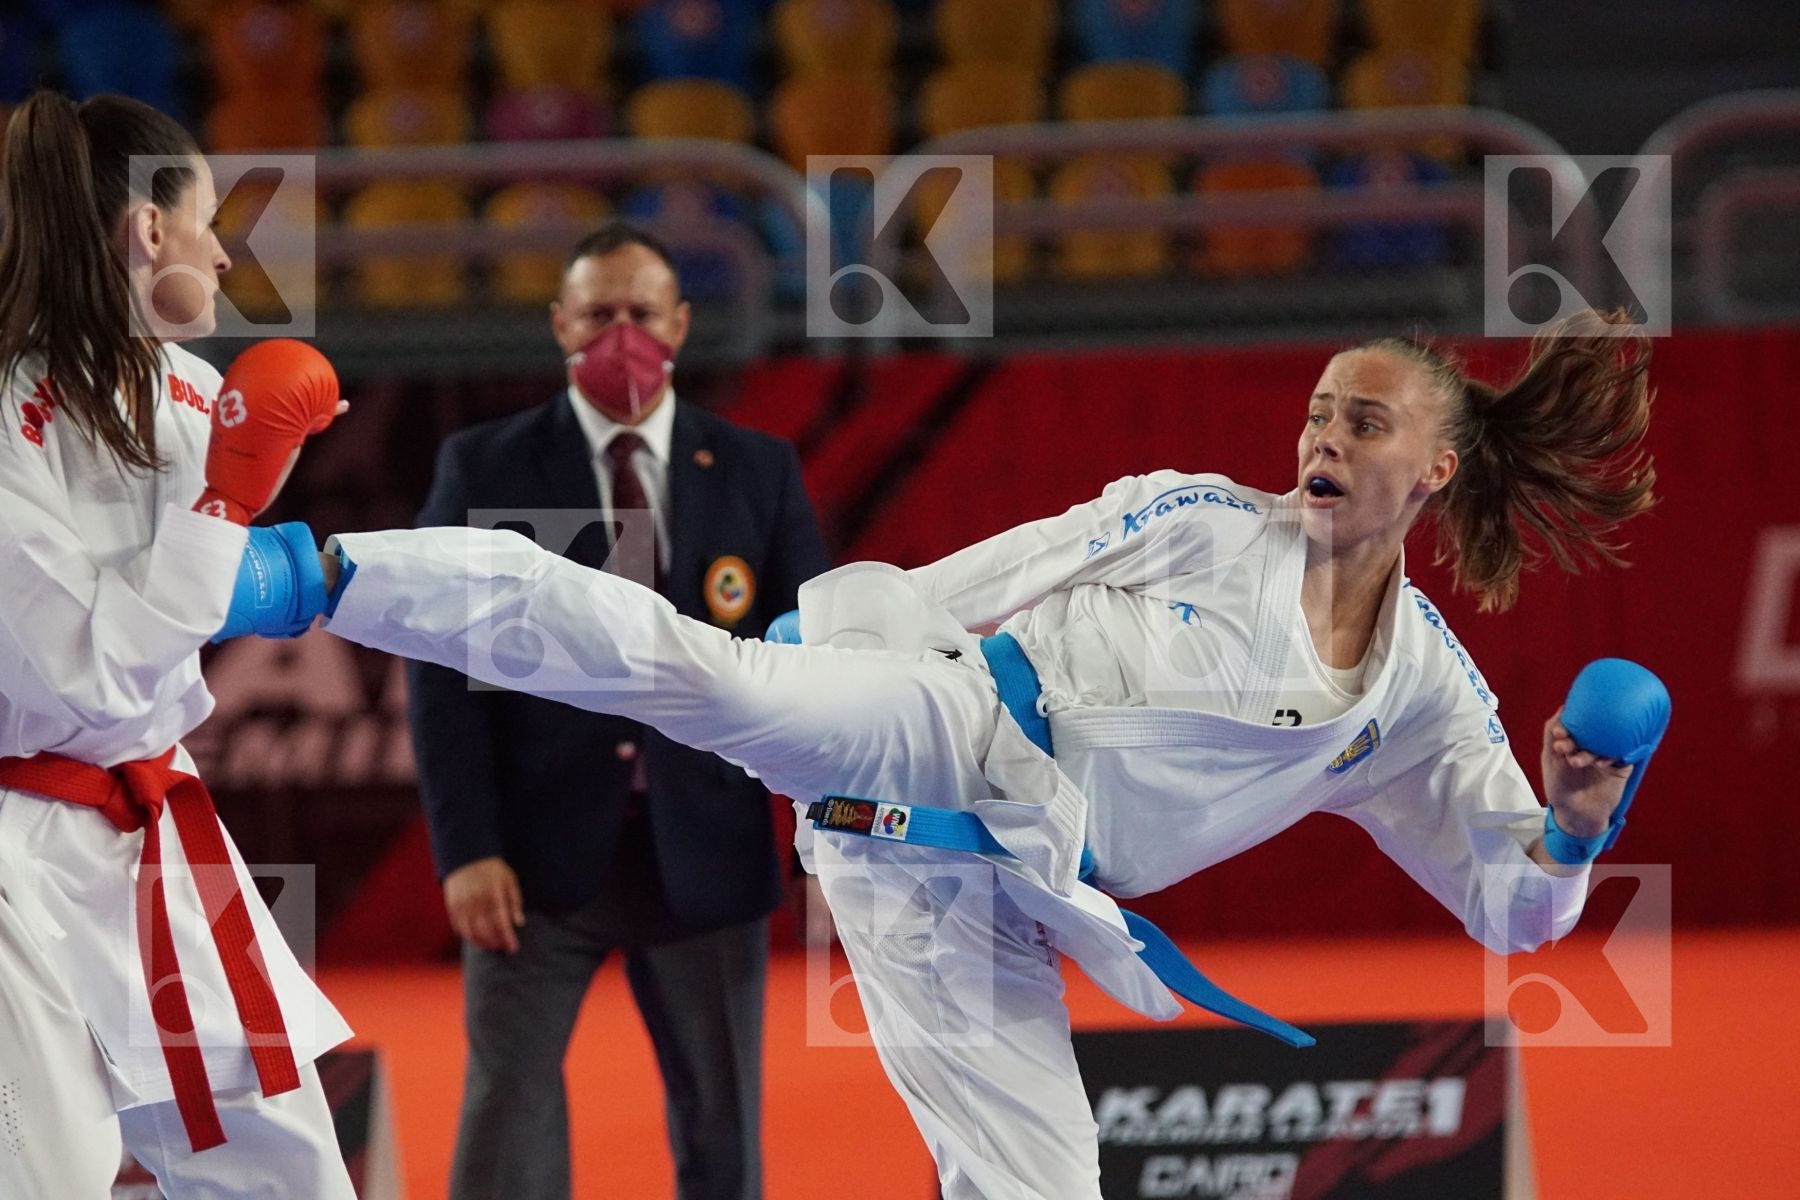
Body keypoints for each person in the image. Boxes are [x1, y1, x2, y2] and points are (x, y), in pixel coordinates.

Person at [298, 310, 1658, 1199]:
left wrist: (1582, 826)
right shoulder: (1197, 514)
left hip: (1005, 894)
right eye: (1316, 409)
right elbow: (966, 586)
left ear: (1434, 468)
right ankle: (310, 575)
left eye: (1362, 421)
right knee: (693, 673)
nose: (1319, 435)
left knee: (1045, 1185)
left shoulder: (1420, 693)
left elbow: (1512, 906)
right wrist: (825, 666)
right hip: (948, 725)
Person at [407, 220, 828, 1200]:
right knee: (506, 1112)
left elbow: (818, 659)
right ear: (559, 324)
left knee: (721, 1128)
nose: (621, 335)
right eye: (598, 314)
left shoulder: (758, 469)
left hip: (708, 841)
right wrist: (465, 848)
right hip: (533, 854)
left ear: (681, 323)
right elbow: (439, 672)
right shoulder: (484, 467)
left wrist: (830, 832)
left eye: (642, 312)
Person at [0, 93, 354, 1197]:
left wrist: (282, 560)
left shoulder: (196, 390)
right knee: (47, 1172)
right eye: (208, 220)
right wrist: (223, 512)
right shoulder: (6, 414)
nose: (220, 251)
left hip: (152, 829)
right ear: (148, 232)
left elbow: (207, 599)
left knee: (286, 1171)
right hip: (18, 845)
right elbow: (82, 676)